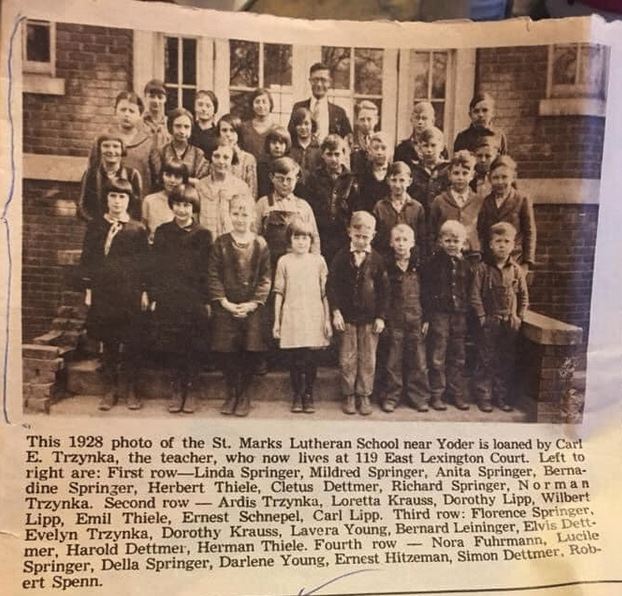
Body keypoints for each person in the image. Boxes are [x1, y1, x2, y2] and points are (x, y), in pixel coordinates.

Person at [79, 177, 149, 411]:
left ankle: (131, 390)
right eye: (113, 196)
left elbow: (144, 265)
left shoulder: (137, 229)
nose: (117, 202)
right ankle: (110, 390)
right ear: (106, 199)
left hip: (129, 294)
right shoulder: (96, 225)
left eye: (122, 197)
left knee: (131, 343)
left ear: (129, 200)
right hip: (104, 293)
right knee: (109, 343)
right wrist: (89, 290)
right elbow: (87, 260)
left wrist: (144, 292)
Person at [150, 185, 212, 414]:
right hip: (170, 298)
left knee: (193, 344)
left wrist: (206, 301)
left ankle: (192, 389)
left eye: (187, 205)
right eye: (178, 204)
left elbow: (206, 271)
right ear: (172, 205)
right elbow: (155, 267)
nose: (182, 209)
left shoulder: (203, 235)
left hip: (194, 299)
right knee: (173, 344)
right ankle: (176, 389)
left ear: (193, 207)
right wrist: (155, 295)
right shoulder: (163, 232)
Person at [208, 194, 271, 417]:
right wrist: (224, 302)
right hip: (226, 308)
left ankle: (244, 394)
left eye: (245, 214)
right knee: (228, 351)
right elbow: (213, 274)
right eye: (236, 213)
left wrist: (253, 304)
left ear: (253, 216)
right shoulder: (221, 243)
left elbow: (265, 278)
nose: (240, 219)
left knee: (248, 349)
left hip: (251, 308)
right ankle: (231, 392)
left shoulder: (260, 244)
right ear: (229, 215)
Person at [327, 211, 389, 416]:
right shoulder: (341, 257)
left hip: (370, 319)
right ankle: (349, 394)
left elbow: (384, 290)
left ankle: (364, 394)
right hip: (347, 317)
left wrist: (381, 316)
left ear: (373, 235)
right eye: (357, 235)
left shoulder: (377, 260)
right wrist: (335, 312)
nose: (361, 240)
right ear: (349, 232)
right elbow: (332, 286)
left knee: (368, 358)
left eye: (365, 236)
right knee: (348, 357)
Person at [273, 218, 332, 413]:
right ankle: (297, 394)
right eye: (296, 237)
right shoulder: (284, 261)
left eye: (305, 237)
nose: (301, 242)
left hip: (313, 314)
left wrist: (327, 319)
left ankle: (309, 394)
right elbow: (279, 293)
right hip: (292, 314)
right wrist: (277, 321)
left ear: (311, 240)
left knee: (310, 359)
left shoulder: (319, 261)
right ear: (290, 239)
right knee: (295, 358)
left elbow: (325, 294)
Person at [471, 222, 528, 412]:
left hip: (509, 322)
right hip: (490, 321)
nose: (502, 245)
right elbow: (475, 295)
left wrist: (519, 316)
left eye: (506, 241)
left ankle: (501, 396)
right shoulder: (483, 269)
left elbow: (523, 296)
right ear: (490, 244)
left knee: (505, 360)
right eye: (498, 241)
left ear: (513, 245)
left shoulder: (516, 270)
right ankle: (484, 396)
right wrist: (481, 316)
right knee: (486, 359)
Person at [421, 220, 471, 412]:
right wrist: (427, 316)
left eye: (456, 241)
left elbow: (468, 290)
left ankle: (456, 393)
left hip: (459, 315)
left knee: (458, 355)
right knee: (437, 355)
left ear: (463, 242)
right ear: (440, 241)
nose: (451, 244)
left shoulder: (466, 266)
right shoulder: (432, 265)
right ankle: (437, 394)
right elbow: (425, 292)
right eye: (447, 240)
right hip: (439, 315)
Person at [381, 224, 430, 413]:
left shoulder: (420, 265)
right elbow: (382, 294)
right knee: (393, 360)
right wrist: (383, 317)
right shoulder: (387, 265)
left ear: (413, 243)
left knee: (418, 360)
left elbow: (428, 294)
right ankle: (391, 396)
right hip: (395, 320)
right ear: (391, 243)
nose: (401, 244)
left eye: (405, 240)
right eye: (397, 240)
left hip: (416, 319)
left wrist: (426, 318)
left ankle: (418, 397)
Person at [89, 91, 160, 197]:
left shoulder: (148, 142)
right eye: (123, 110)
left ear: (140, 115)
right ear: (115, 112)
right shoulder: (103, 139)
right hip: (109, 200)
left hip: (139, 199)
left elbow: (157, 176)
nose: (126, 114)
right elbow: (92, 170)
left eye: (132, 111)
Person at [255, 157, 320, 271]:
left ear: (297, 179)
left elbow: (314, 238)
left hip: (297, 264)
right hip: (269, 264)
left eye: (289, 179)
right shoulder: (263, 203)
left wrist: (314, 263)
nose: (284, 184)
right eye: (280, 179)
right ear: (272, 178)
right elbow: (254, 234)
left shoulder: (303, 206)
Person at [306, 134, 359, 266]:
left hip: (343, 236)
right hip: (321, 234)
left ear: (344, 155)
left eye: (337, 154)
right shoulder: (314, 178)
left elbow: (355, 208)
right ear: (322, 155)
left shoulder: (352, 180)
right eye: (329, 154)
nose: (333, 159)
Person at [477, 155, 536, 272]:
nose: (500, 182)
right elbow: (481, 232)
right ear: (490, 179)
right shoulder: (486, 202)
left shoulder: (522, 199)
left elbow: (529, 232)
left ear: (513, 177)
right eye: (496, 178)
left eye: (504, 177)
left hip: (514, 259)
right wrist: (482, 256)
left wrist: (526, 263)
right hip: (490, 261)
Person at [429, 150, 482, 257]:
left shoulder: (479, 201)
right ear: (449, 175)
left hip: (472, 255)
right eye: (456, 173)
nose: (460, 178)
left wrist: (477, 247)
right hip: (445, 255)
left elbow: (483, 230)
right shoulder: (439, 201)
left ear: (472, 175)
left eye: (465, 173)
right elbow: (431, 231)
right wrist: (437, 248)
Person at [78, 133, 142, 222]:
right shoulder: (90, 174)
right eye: (106, 146)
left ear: (122, 149)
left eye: (116, 146)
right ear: (99, 149)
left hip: (124, 229)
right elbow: (81, 206)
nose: (111, 151)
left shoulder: (132, 174)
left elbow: (137, 208)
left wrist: (124, 224)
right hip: (97, 228)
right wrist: (97, 224)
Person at [196, 143, 252, 241]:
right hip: (206, 241)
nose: (221, 161)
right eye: (216, 156)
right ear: (210, 158)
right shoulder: (201, 186)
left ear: (232, 161)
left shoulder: (241, 187)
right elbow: (195, 217)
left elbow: (249, 218)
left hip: (232, 243)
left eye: (226, 157)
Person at [372, 161, 426, 259]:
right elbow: (376, 239)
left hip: (410, 259)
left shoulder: (417, 208)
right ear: (388, 181)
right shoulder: (380, 207)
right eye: (394, 180)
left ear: (409, 182)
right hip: (385, 258)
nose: (397, 185)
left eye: (402, 180)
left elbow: (421, 239)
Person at [288, 63, 352, 143]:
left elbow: (347, 141)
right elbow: (290, 137)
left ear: (329, 82)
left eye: (323, 80)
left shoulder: (339, 113)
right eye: (315, 80)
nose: (319, 84)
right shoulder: (298, 107)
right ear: (310, 81)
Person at [142, 158, 189, 243]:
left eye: (177, 177)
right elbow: (143, 229)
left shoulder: (188, 202)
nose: (172, 180)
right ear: (162, 176)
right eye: (168, 175)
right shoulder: (149, 200)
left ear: (183, 179)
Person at [160, 107, 210, 186]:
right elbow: (158, 179)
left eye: (186, 127)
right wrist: (188, 180)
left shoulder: (198, 154)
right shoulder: (161, 152)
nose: (182, 131)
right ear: (170, 127)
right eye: (178, 126)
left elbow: (200, 183)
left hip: (191, 195)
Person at [408, 126, 450, 214]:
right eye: (425, 146)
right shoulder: (413, 170)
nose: (429, 150)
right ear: (419, 148)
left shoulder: (448, 169)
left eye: (433, 145)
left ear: (442, 147)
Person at [217, 113, 258, 199]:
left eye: (232, 130)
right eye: (224, 130)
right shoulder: (215, 156)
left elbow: (252, 192)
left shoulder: (248, 159)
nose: (228, 134)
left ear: (238, 134)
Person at [355, 131, 392, 213]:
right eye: (376, 148)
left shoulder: (394, 172)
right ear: (370, 150)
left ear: (390, 151)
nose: (379, 152)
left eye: (383, 148)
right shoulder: (363, 173)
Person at [288, 106, 322, 194]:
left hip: (315, 192)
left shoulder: (319, 148)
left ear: (312, 125)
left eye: (306, 124)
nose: (303, 127)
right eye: (299, 124)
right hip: (293, 191)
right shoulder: (289, 147)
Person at [394, 101, 437, 168]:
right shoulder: (402, 149)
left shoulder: (439, 147)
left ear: (432, 121)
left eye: (424, 118)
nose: (420, 122)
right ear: (411, 120)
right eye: (417, 118)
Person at [239, 87, 275, 161]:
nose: (261, 106)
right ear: (252, 105)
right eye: (257, 102)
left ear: (270, 105)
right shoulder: (243, 127)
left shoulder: (276, 129)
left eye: (264, 102)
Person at [257, 126, 292, 199]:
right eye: (273, 143)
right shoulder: (262, 166)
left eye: (281, 143)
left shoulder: (290, 165)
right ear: (268, 144)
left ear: (287, 145)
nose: (277, 146)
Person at [350, 100, 380, 177]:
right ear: (357, 121)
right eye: (362, 119)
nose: (366, 123)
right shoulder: (351, 140)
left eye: (369, 119)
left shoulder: (381, 141)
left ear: (376, 120)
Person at [470, 133, 502, 200]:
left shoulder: (503, 179)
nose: (483, 160)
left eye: (488, 156)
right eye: (479, 156)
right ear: (473, 155)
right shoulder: (468, 178)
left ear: (496, 157)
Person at [190, 90, 220, 158]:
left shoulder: (218, 133)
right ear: (195, 107)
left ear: (214, 109)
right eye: (200, 105)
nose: (203, 109)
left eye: (208, 106)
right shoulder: (189, 129)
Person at [142, 79, 170, 150]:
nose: (156, 101)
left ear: (165, 99)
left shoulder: (169, 123)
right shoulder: (139, 122)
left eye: (160, 97)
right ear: (145, 97)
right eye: (152, 96)